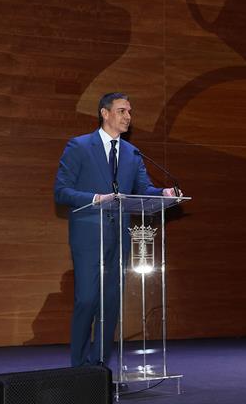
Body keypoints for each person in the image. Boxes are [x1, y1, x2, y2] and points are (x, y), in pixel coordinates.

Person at [54, 92, 180, 367]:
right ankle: (77, 367)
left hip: (119, 235)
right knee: (87, 300)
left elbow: (143, 190)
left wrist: (164, 192)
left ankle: (99, 365)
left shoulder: (132, 154)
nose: (128, 117)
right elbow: (61, 191)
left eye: (130, 112)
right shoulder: (79, 146)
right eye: (122, 111)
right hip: (88, 234)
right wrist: (94, 199)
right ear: (105, 113)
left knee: (110, 303)